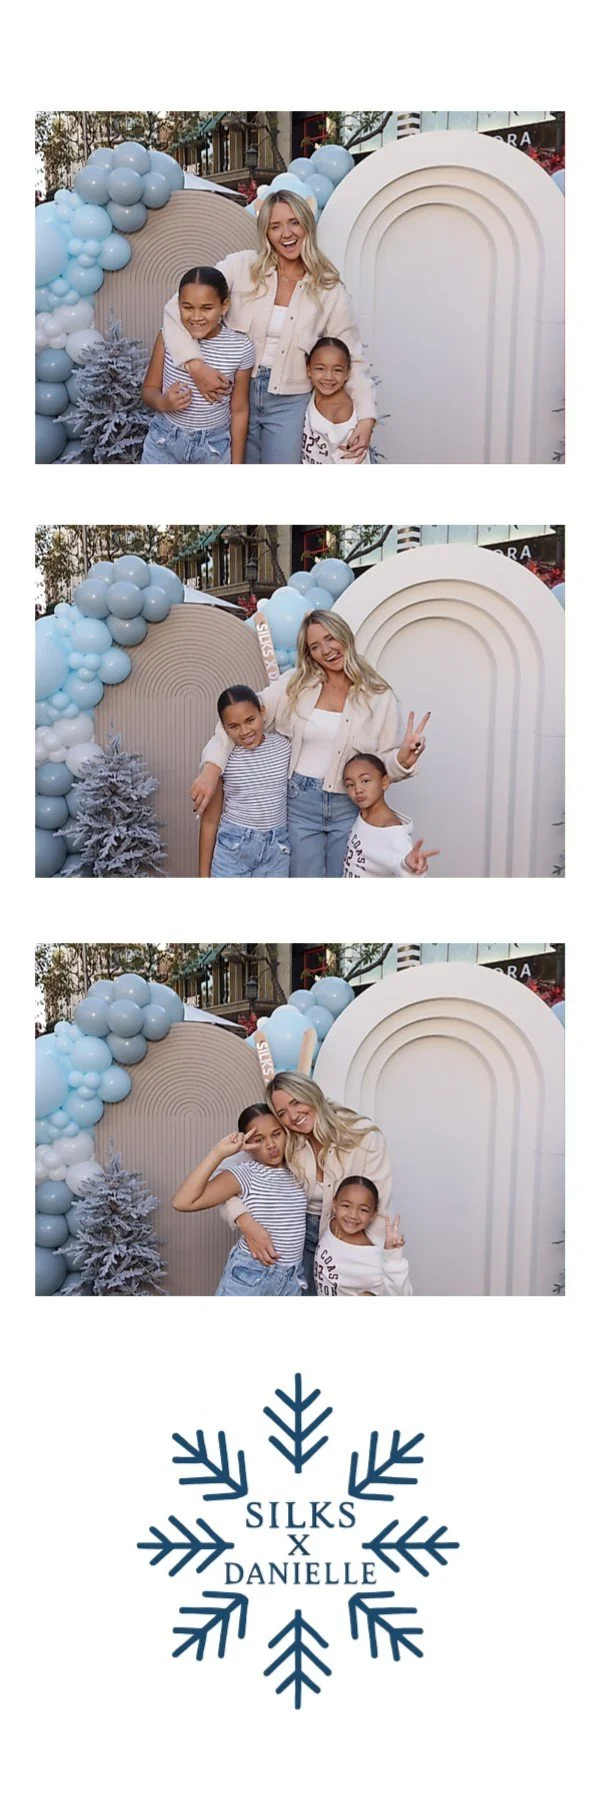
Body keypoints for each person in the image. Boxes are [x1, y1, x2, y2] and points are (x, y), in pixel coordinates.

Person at [191, 611, 430, 879]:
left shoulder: (379, 695)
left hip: (347, 804)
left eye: (330, 638)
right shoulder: (295, 683)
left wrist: (403, 759)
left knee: (345, 879)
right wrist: (212, 767)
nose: (325, 650)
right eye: (315, 646)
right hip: (299, 804)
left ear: (345, 636)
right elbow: (239, 717)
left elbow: (381, 766)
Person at [160, 192, 377, 464]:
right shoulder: (241, 266)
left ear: (307, 225)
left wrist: (367, 416)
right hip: (232, 393)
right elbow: (175, 307)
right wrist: (195, 365)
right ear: (266, 232)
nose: (286, 233)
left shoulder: (329, 288)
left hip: (290, 402)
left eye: (294, 222)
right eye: (275, 226)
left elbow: (351, 356)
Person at [218, 1072, 396, 1295]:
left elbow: (377, 1213)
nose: (292, 1117)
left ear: (312, 1094)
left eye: (296, 1102)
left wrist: (374, 1274)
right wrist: (244, 1221)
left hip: (343, 1240)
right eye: (282, 1113)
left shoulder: (365, 1138)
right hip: (288, 1238)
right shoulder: (283, 1136)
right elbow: (222, 1175)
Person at [171, 1104, 306, 1296]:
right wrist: (219, 1152)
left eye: (276, 1134)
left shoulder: (296, 1171)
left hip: (291, 1280)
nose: (271, 1145)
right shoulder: (245, 1174)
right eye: (259, 1139)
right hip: (251, 1275)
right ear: (248, 1145)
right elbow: (182, 1202)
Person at [141, 266, 254, 464]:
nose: (196, 317)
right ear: (178, 306)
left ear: (224, 306)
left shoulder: (241, 347)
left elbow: (239, 409)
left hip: (213, 447)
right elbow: (149, 389)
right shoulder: (167, 336)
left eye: (206, 308)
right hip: (164, 441)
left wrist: (237, 464)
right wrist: (162, 403)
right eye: (187, 307)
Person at [198, 687, 291, 879]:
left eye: (250, 720)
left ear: (262, 713)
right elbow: (210, 820)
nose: (245, 731)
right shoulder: (222, 760)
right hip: (234, 849)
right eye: (234, 726)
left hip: (277, 851)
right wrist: (203, 874)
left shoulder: (284, 747)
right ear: (224, 729)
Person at [342, 752, 439, 877]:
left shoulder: (392, 830)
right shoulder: (361, 815)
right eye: (350, 784)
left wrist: (409, 866)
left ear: (385, 782)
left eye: (365, 780)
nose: (358, 789)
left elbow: (408, 869)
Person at [314, 1177, 412, 1297]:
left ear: (373, 1214)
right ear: (334, 1204)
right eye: (346, 1206)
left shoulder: (371, 1258)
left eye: (363, 1210)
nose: (353, 1215)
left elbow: (402, 1295)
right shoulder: (331, 1225)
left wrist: (393, 1260)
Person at [302, 337, 369, 463]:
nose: (328, 377)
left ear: (348, 373)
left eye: (337, 370)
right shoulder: (312, 394)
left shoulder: (341, 412)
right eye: (320, 369)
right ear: (308, 369)